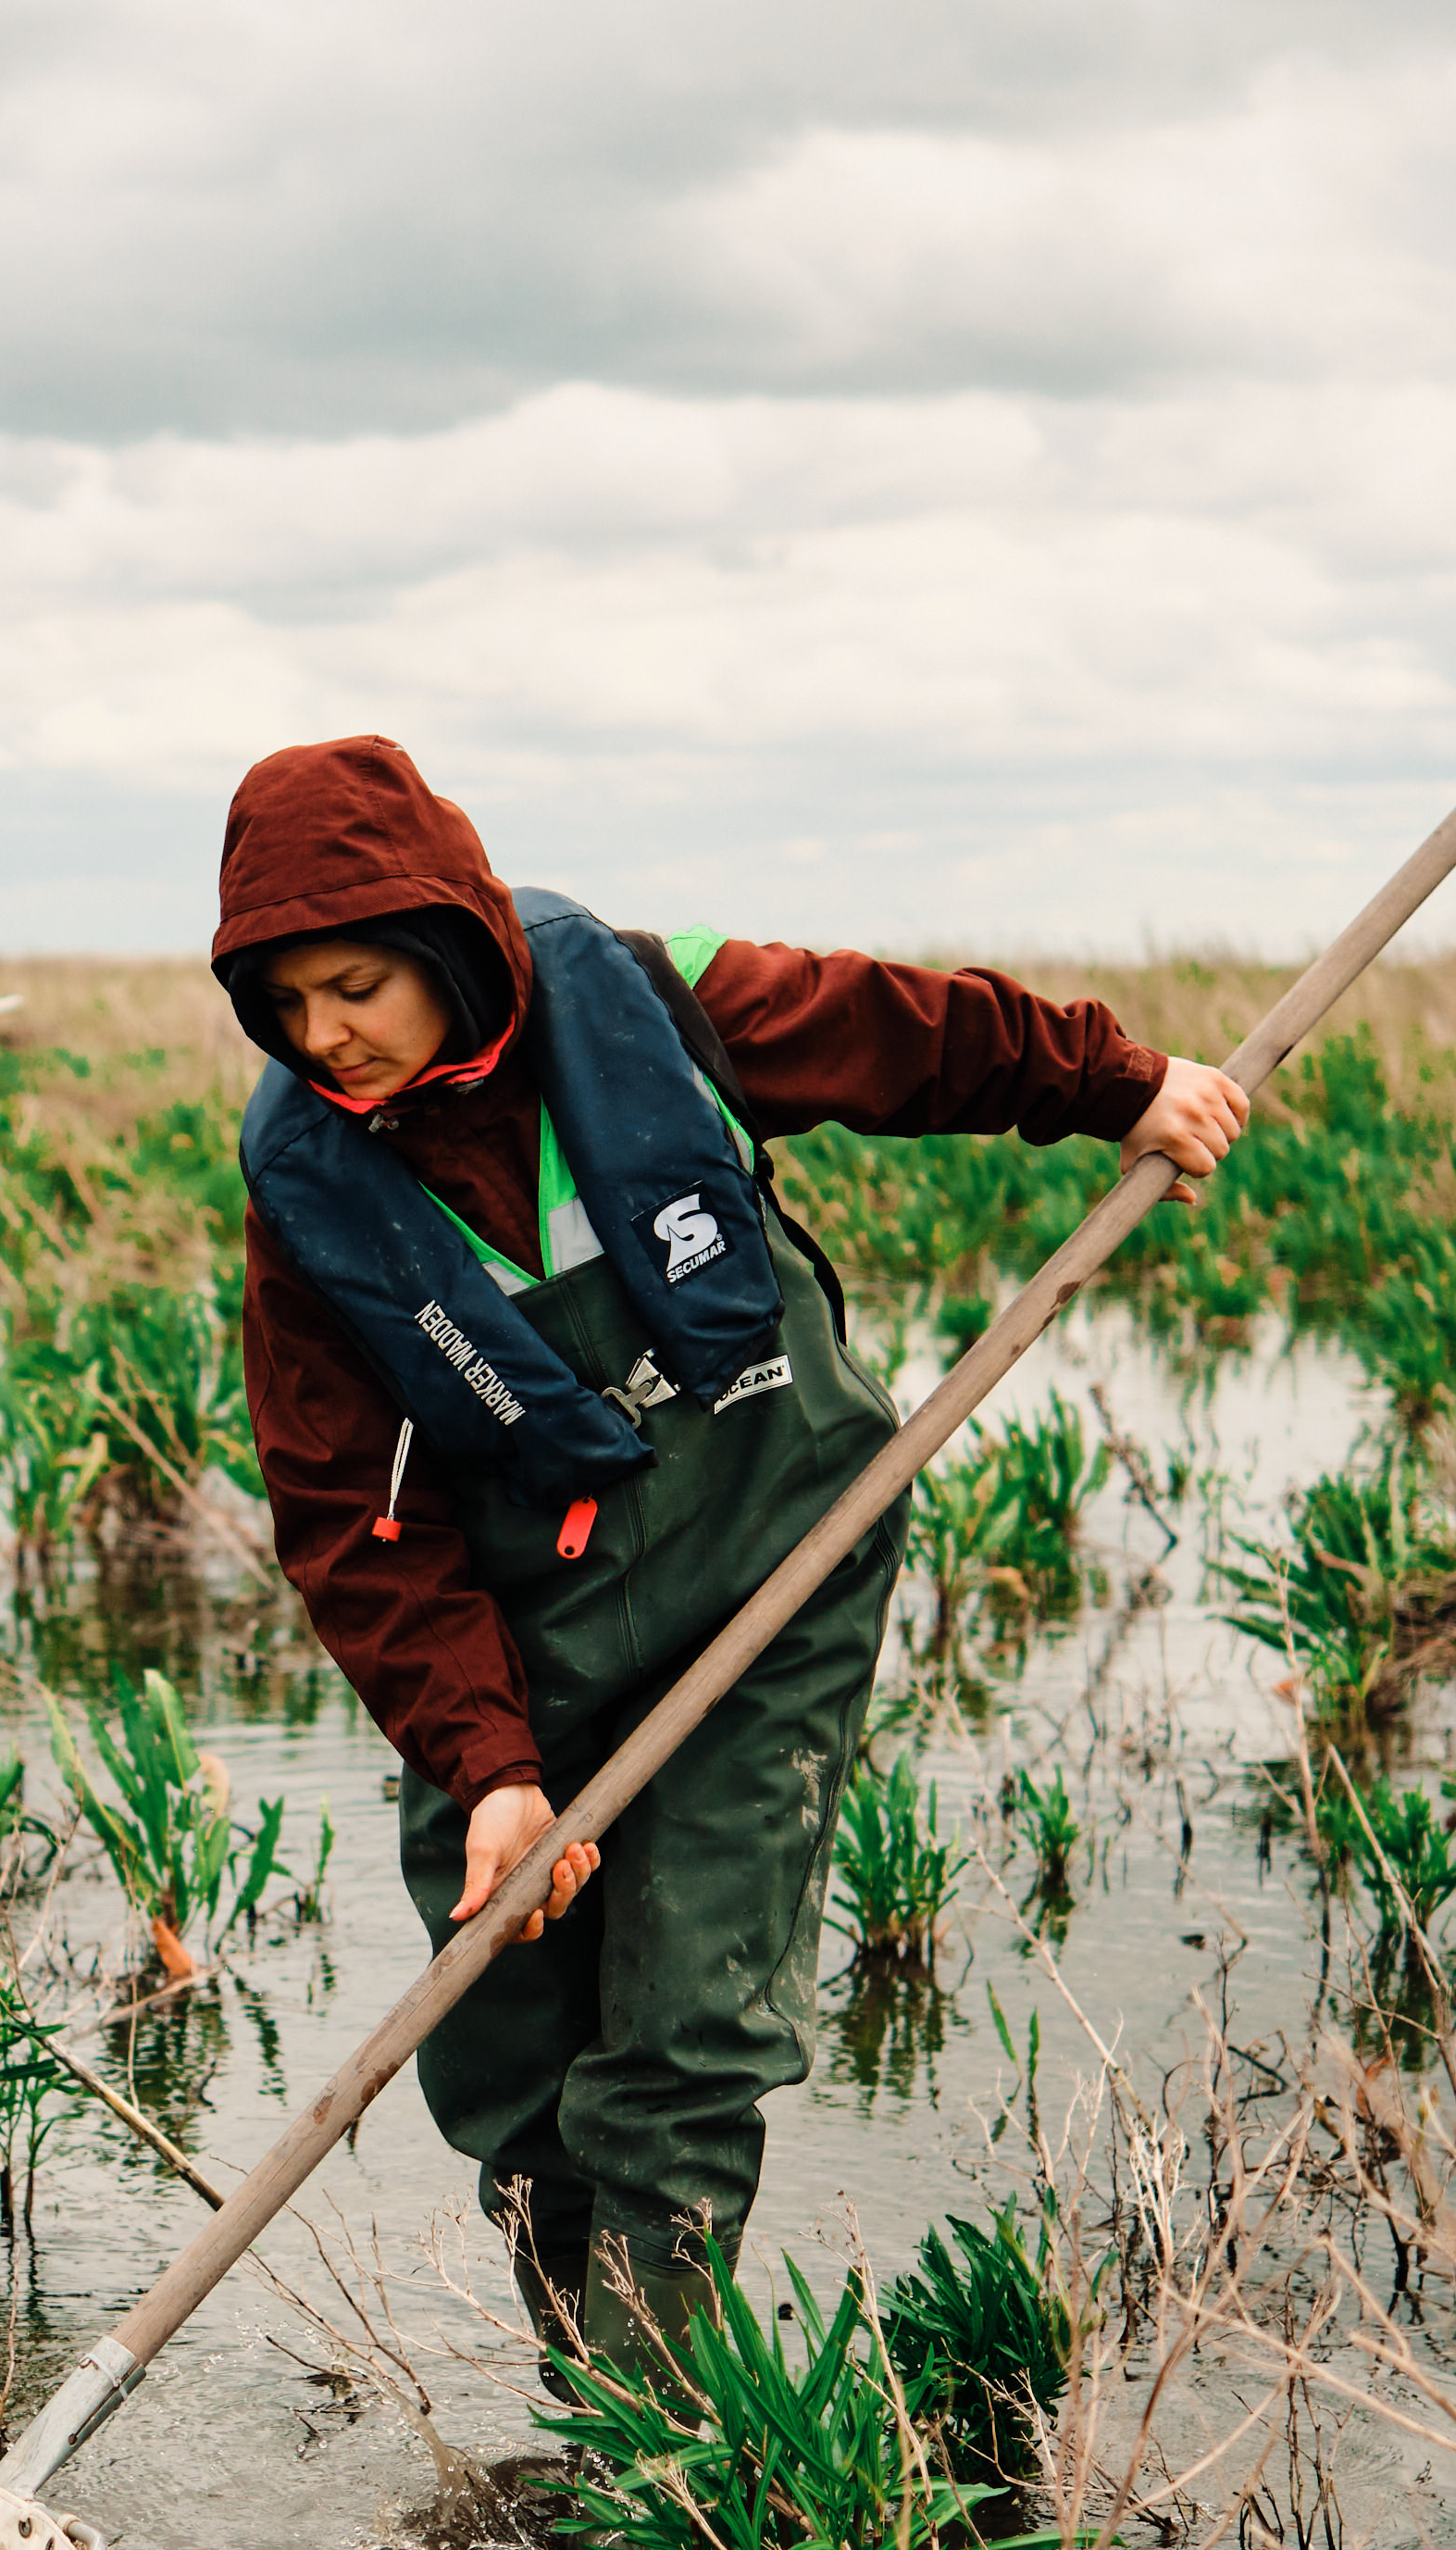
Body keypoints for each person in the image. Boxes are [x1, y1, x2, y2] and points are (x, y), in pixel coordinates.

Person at [216, 739, 1247, 2374]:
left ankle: (669, 2457)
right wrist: (493, 1769)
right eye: (287, 1005)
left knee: (691, 2020)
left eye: (356, 985)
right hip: (547, 1606)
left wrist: (1117, 1082)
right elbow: (353, 1524)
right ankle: (594, 2354)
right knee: (503, 2013)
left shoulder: (636, 1002)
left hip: (780, 1547)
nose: (327, 1033)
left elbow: (906, 1033)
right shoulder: (314, 1195)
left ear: (447, 945)